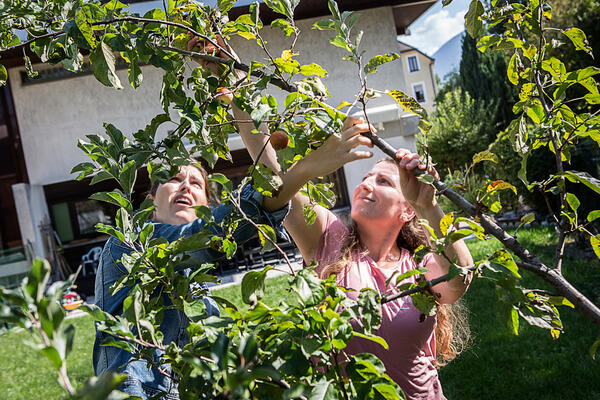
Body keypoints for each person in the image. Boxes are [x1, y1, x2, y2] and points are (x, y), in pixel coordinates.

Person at [248, 116, 473, 399]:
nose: (366, 185)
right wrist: (241, 101)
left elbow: (460, 275)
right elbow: (273, 180)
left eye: (384, 182)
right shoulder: (331, 241)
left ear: (407, 211)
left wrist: (428, 205)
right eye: (365, 178)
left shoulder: (419, 264)